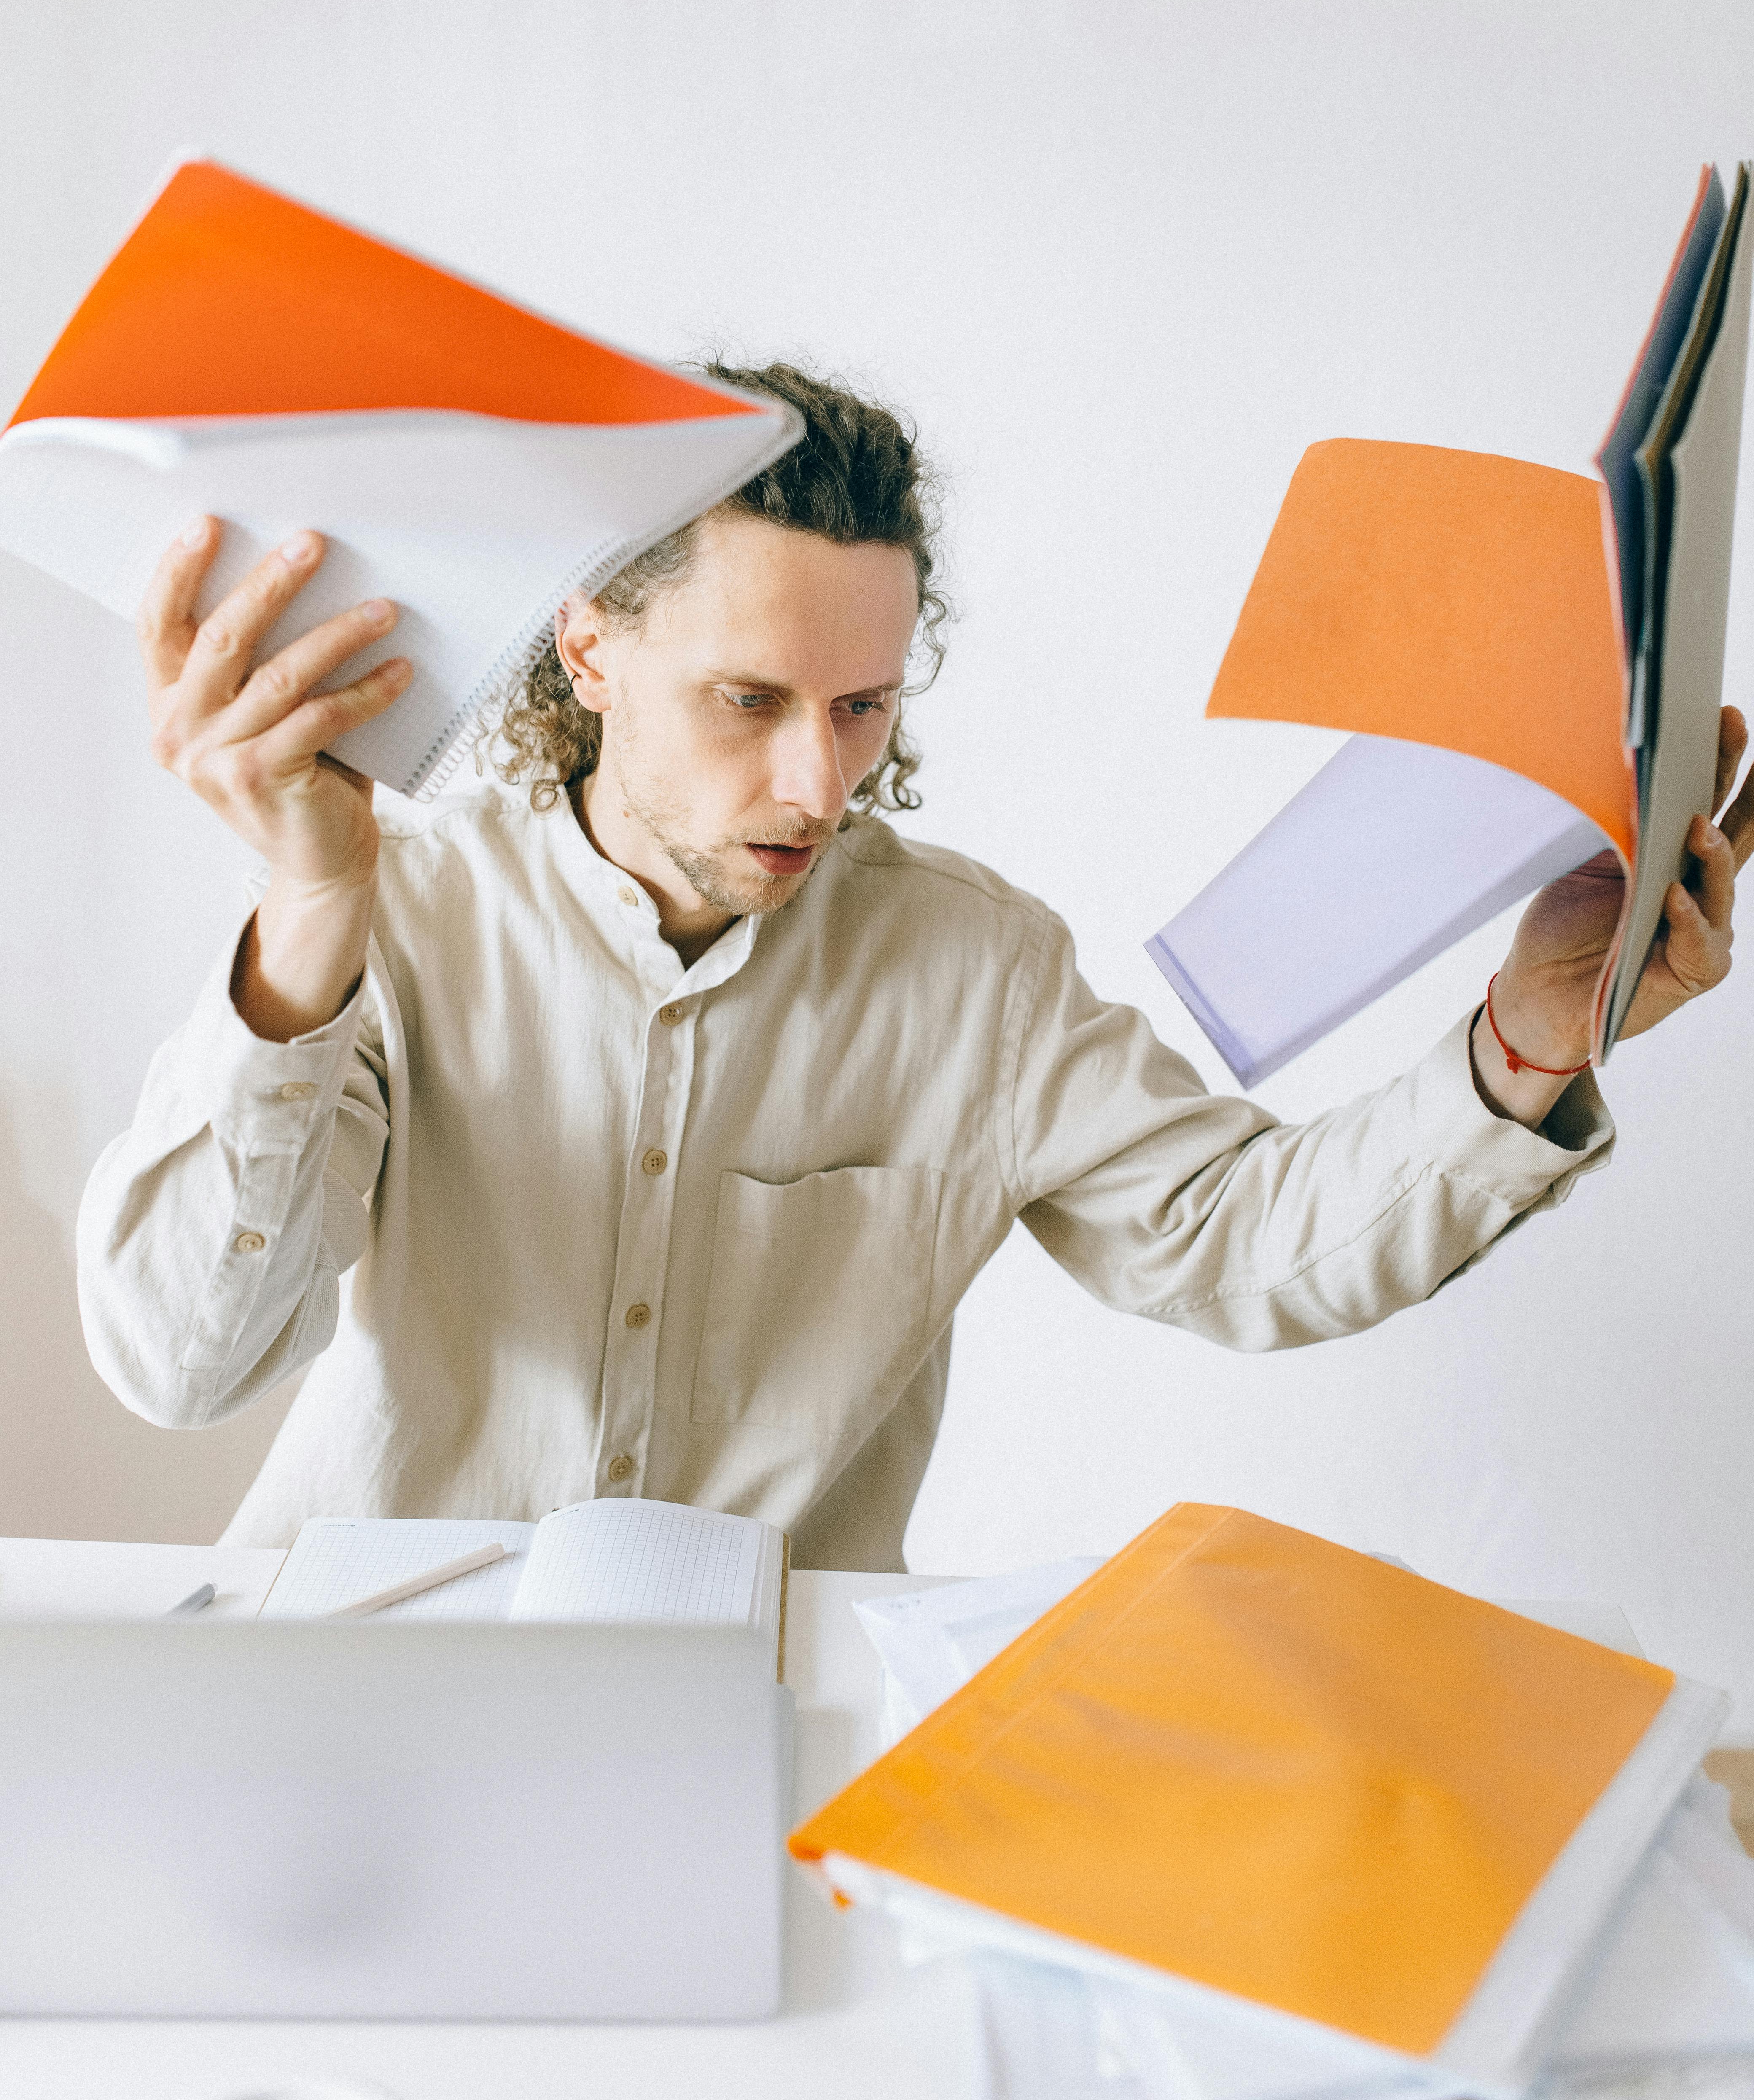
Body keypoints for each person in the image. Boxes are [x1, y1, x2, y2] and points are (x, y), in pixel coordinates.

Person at [78, 365, 1753, 1561]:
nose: (816, 782)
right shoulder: (401, 917)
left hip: (765, 1747)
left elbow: (1243, 1250)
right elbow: (183, 1361)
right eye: (750, 702)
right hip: (372, 1720)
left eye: (861, 707)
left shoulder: (974, 970)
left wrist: (1526, 1041)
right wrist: (307, 919)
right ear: (589, 647)